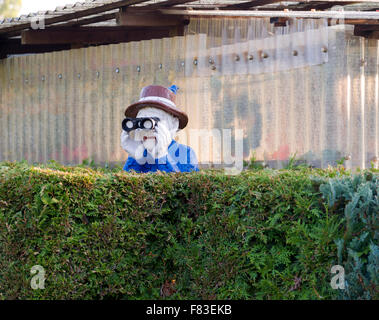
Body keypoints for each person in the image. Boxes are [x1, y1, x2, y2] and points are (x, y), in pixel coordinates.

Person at [121, 85, 199, 173]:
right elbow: (125, 184)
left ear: (173, 124)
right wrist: (134, 157)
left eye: (153, 123)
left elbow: (182, 185)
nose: (147, 130)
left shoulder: (185, 153)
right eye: (142, 122)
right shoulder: (142, 153)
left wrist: (161, 156)